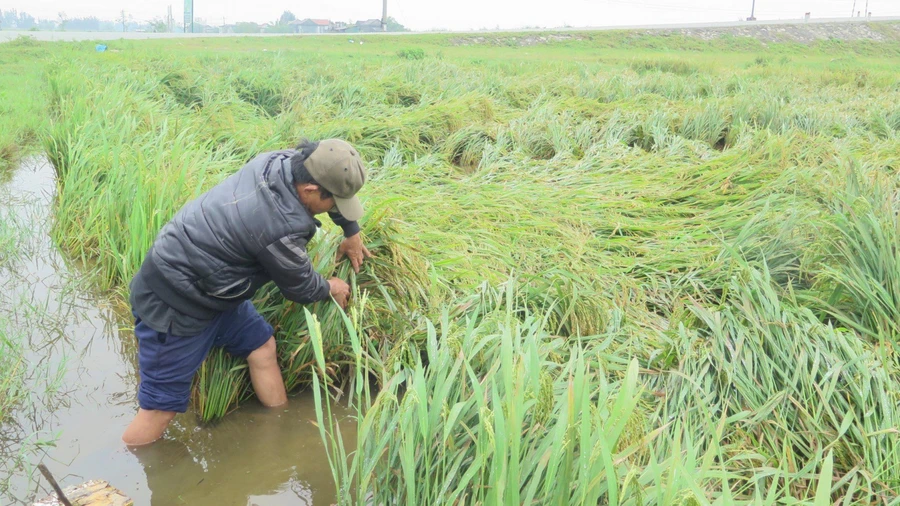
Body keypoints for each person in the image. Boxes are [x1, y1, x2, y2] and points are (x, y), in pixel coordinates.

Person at [122, 139, 372, 446]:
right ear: (309, 190)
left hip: (214, 288)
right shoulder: (277, 225)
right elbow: (302, 286)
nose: (335, 208)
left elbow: (327, 194)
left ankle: (278, 434)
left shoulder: (281, 161)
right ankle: (127, 466)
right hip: (174, 303)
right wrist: (331, 286)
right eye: (334, 203)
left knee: (262, 347)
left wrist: (352, 233)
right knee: (160, 410)